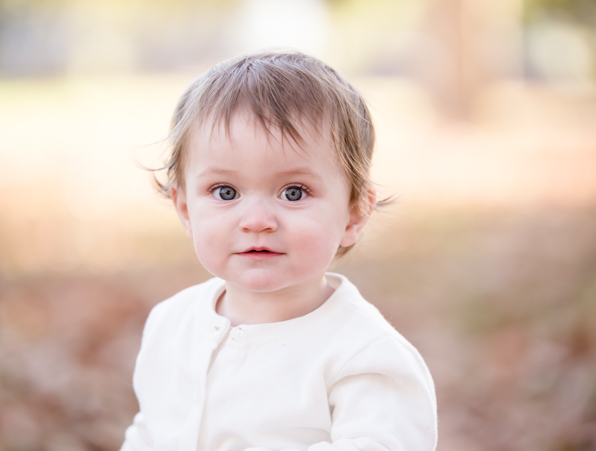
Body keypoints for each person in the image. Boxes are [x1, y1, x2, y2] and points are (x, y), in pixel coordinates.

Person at [120, 51, 437, 451]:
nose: (256, 220)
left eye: (293, 192)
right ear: (185, 209)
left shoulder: (363, 355)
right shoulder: (172, 324)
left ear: (354, 213)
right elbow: (151, 432)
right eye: (225, 192)